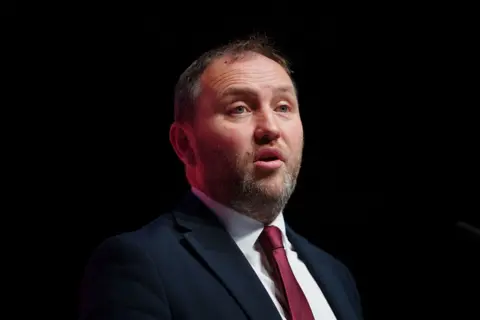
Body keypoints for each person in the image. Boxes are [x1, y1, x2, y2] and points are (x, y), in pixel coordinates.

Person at [79, 35, 363, 320]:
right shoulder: (139, 263)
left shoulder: (335, 275)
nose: (271, 128)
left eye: (283, 107)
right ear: (185, 144)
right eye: (240, 108)